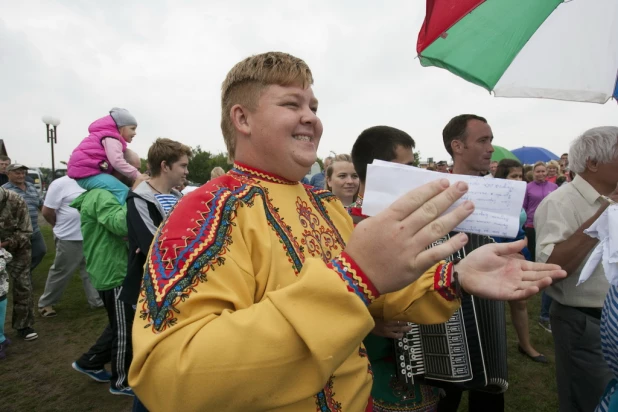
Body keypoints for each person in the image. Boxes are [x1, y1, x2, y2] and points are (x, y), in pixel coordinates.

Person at [128, 52, 566, 411]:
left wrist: (456, 277)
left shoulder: (324, 207)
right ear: (242, 119)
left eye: (314, 108)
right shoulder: (207, 209)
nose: (311, 119)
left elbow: (376, 298)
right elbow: (170, 374)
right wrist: (351, 278)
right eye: (291, 105)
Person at [350, 125, 448, 411]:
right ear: (382, 171)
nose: (417, 176)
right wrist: (371, 323)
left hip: (429, 358)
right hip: (372, 365)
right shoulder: (344, 224)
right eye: (408, 168)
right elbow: (331, 297)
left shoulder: (422, 221)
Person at [535, 126, 617, 412]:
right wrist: (605, 213)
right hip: (585, 323)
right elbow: (550, 268)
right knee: (588, 400)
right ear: (594, 163)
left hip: (610, 317)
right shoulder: (559, 202)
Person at [71, 149, 145, 397]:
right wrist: (136, 193)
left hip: (115, 268)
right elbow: (121, 224)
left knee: (119, 324)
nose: (135, 173)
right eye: (132, 168)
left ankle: (89, 361)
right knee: (124, 328)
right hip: (113, 272)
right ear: (115, 169)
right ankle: (121, 381)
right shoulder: (102, 195)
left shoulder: (108, 193)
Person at [119, 138, 190, 307]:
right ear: (165, 166)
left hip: (177, 282)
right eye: (183, 165)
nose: (187, 171)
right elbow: (152, 245)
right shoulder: (139, 198)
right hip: (150, 288)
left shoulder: (178, 198)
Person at [494, 159, 547, 363]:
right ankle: (492, 349)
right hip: (498, 253)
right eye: (513, 176)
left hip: (517, 252)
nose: (519, 179)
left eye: (520, 176)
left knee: (520, 302)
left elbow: (519, 226)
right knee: (493, 306)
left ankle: (525, 345)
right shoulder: (494, 199)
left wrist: (522, 244)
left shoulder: (518, 197)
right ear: (502, 177)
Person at [38, 176, 103, 317]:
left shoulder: (96, 180)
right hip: (69, 237)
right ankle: (46, 303)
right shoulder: (60, 184)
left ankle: (96, 300)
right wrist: (58, 226)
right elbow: (47, 212)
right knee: (62, 270)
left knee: (92, 270)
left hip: (91, 235)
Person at [67, 108, 148, 204]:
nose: (135, 133)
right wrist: (137, 175)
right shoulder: (112, 138)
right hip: (88, 173)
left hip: (85, 172)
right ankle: (125, 214)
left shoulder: (106, 136)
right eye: (132, 128)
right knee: (122, 191)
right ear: (121, 128)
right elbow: (117, 161)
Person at [523, 161, 558, 333]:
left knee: (545, 254)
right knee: (533, 253)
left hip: (549, 225)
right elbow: (523, 207)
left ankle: (541, 278)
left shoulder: (554, 187)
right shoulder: (528, 187)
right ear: (533, 172)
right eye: (538, 171)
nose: (541, 173)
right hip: (531, 225)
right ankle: (533, 279)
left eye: (543, 171)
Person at [0, 187, 36, 341]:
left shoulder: (16, 200)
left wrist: (5, 244)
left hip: (18, 249)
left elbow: (26, 232)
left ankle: (23, 325)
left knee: (23, 285)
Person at [3, 164, 47, 276]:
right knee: (19, 257)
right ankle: (22, 276)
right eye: (17, 173)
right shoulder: (4, 190)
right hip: (16, 232)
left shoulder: (31, 187)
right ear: (8, 174)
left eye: (23, 173)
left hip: (34, 229)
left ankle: (23, 273)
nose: (21, 175)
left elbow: (40, 204)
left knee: (40, 251)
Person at [0, 243, 12, 358]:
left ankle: (1, 339)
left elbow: (9, 257)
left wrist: (2, 252)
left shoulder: (2, 253)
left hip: (1, 293)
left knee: (1, 317)